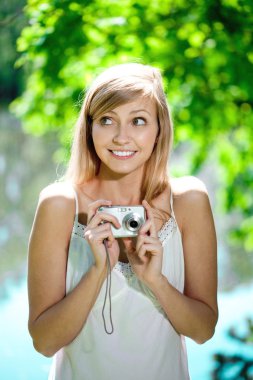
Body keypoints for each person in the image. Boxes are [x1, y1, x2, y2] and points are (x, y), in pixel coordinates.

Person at [27, 63, 218, 380]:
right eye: (107, 120)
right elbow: (45, 342)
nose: (121, 137)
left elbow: (203, 330)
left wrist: (154, 280)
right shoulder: (59, 205)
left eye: (138, 121)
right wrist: (97, 271)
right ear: (90, 128)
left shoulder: (188, 201)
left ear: (159, 129)